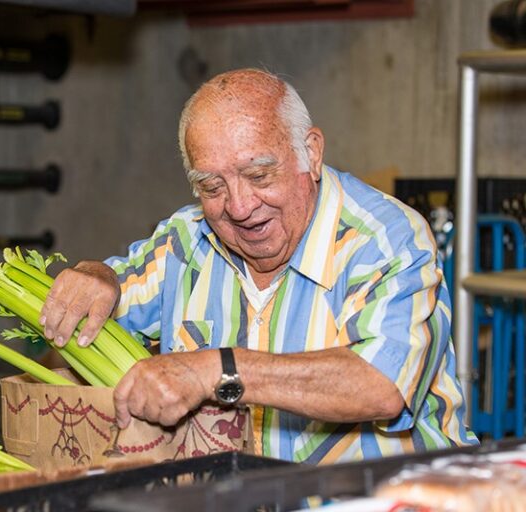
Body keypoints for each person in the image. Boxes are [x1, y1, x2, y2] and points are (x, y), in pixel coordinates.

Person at [39, 68, 478, 464]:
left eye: (259, 176)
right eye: (212, 186)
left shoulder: (386, 238)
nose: (241, 207)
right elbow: (104, 299)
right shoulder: (186, 241)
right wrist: (98, 278)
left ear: (311, 152)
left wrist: (216, 369)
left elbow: (381, 386)